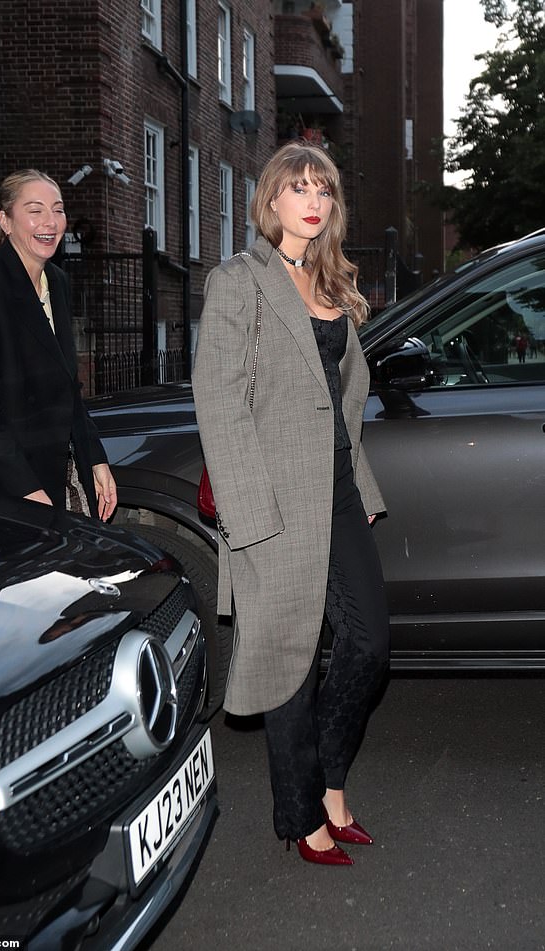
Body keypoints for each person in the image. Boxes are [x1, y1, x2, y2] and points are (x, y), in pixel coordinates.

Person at [192, 141, 389, 866]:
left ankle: (332, 778)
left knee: (369, 644)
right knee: (288, 661)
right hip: (270, 502)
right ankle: (301, 814)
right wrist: (248, 517)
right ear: (271, 198)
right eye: (298, 187)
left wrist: (362, 490)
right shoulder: (238, 281)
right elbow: (219, 403)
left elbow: (344, 405)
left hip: (337, 492)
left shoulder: (333, 285)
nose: (313, 200)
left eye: (324, 190)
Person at [0, 170, 116, 520]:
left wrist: (95, 459)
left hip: (51, 474)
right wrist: (25, 488)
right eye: (35, 210)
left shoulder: (58, 282)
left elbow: (69, 388)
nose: (50, 222)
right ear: (6, 221)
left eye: (58, 209)